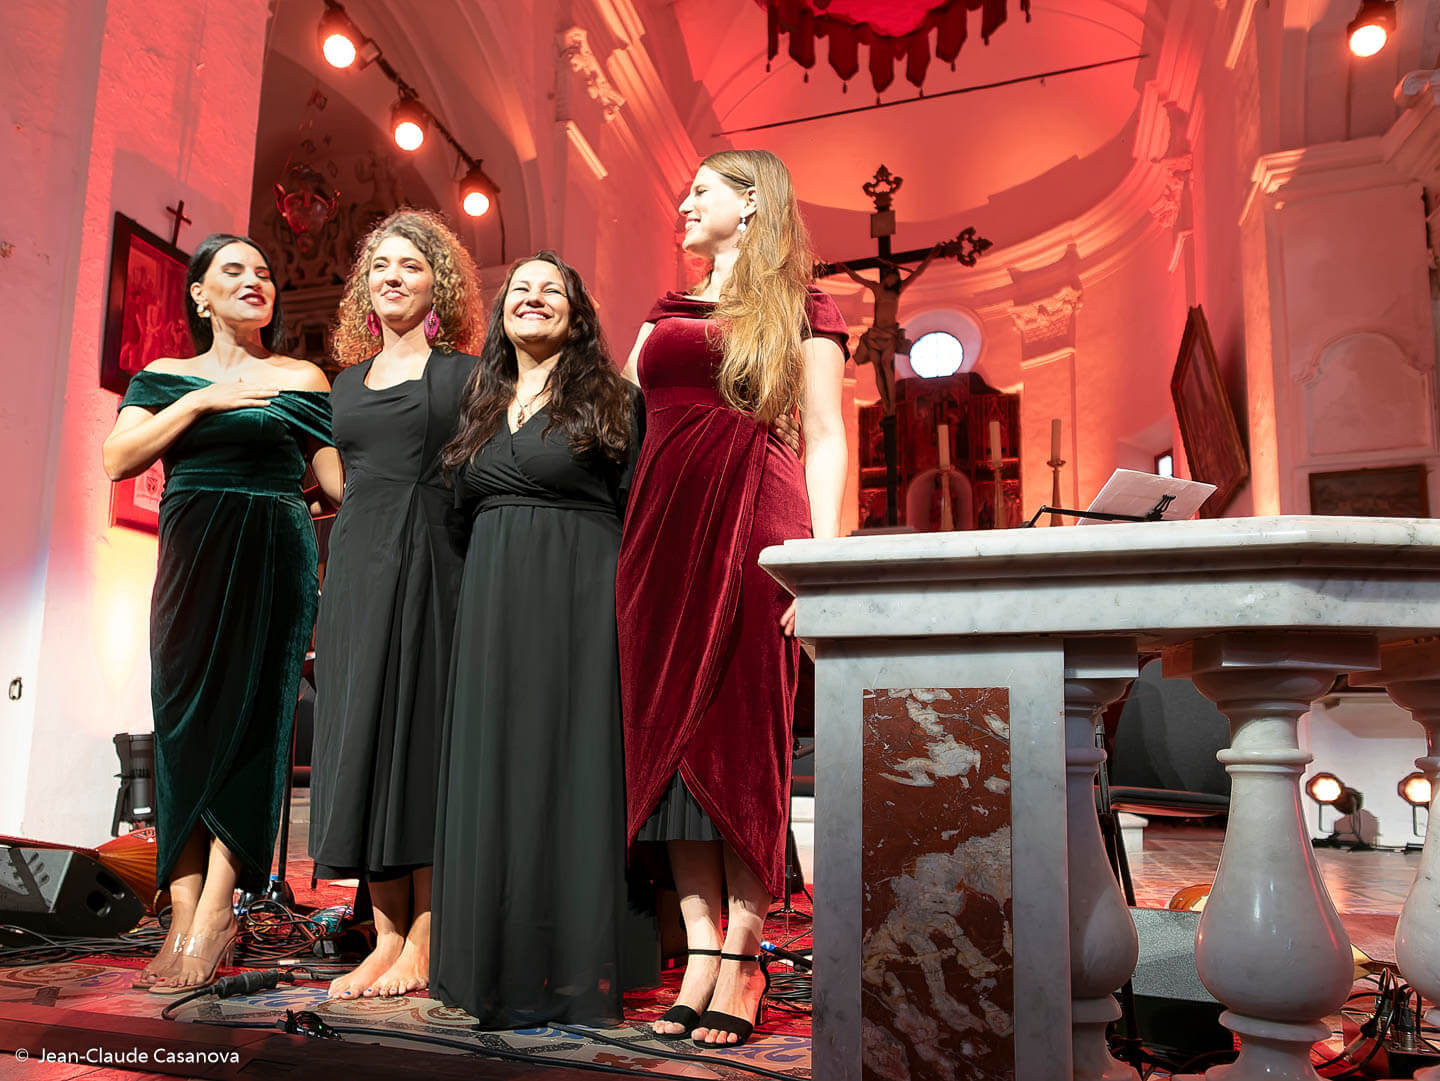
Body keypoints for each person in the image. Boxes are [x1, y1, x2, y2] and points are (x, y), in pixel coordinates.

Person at [616, 149, 848, 1047]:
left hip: (756, 520)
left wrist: (820, 565)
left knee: (744, 734)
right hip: (658, 537)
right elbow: (619, 414)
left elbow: (825, 435)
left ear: (750, 204)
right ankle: (700, 950)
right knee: (664, 742)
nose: (683, 204)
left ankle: (745, 956)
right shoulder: (664, 313)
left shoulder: (802, 306)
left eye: (702, 191)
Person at [101, 234, 341, 994]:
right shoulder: (163, 376)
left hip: (275, 556)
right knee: (180, 725)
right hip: (192, 559)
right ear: (199, 294)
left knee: (258, 727)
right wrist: (203, 399)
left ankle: (214, 914)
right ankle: (179, 911)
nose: (254, 281)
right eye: (233, 271)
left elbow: (337, 483)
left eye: (264, 272)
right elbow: (118, 459)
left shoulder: (301, 377)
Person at [430, 250, 639, 1028]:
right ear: (501, 311)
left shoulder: (613, 398)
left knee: (568, 763)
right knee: (496, 764)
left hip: (580, 597)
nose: (534, 297)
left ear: (578, 314)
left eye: (552, 289)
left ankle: (573, 964)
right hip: (491, 603)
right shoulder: (479, 402)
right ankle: (491, 959)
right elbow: (456, 512)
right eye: (520, 287)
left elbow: (638, 504)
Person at [308, 209, 485, 1000]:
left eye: (410, 265)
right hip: (356, 567)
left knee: (421, 740)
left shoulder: (463, 374)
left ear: (437, 283)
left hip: (435, 561)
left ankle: (427, 936)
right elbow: (344, 479)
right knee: (364, 739)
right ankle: (383, 936)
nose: (392, 276)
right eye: (380, 265)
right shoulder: (345, 382)